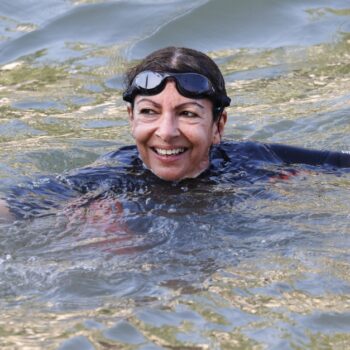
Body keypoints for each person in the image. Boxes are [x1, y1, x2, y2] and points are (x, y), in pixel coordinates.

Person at [1, 46, 350, 223]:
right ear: (131, 119)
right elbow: (19, 203)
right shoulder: (112, 178)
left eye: (187, 114)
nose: (166, 133)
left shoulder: (258, 163)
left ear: (218, 126)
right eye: (149, 112)